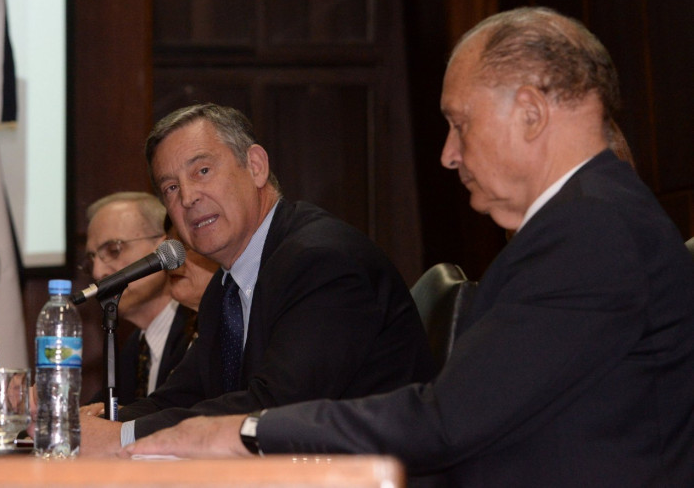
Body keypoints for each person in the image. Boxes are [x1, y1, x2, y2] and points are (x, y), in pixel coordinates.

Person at [126, 8, 694, 486]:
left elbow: (447, 420)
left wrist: (244, 430)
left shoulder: (591, 234)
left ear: (530, 112)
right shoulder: (582, 225)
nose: (448, 153)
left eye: (459, 124)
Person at [82, 104, 436, 454]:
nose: (188, 197)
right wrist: (103, 425)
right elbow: (188, 393)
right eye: (171, 188)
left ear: (255, 166)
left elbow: (274, 407)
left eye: (202, 171)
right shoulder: (227, 286)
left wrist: (124, 437)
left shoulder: (322, 261)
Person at [82, 192, 197, 408]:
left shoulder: (200, 330)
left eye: (113, 250)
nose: (98, 272)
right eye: (92, 259)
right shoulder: (135, 347)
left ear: (164, 249)